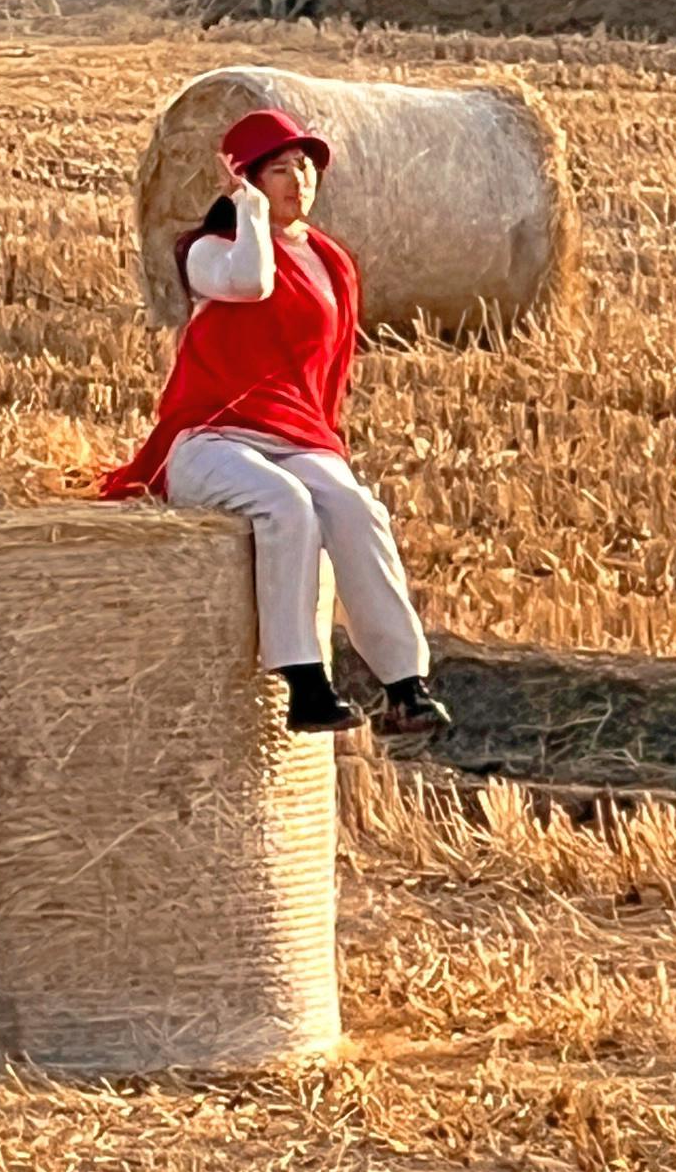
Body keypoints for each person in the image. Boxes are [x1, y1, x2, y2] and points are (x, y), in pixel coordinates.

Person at [104, 105, 450, 744]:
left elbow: (331, 364)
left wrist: (326, 439)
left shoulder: (331, 261)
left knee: (356, 508)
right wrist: (250, 212)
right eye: (280, 169)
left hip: (295, 433)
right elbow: (252, 283)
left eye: (306, 168)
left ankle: (406, 685)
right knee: (285, 503)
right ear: (246, 178)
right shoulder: (207, 251)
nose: (300, 181)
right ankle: (304, 682)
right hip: (211, 436)